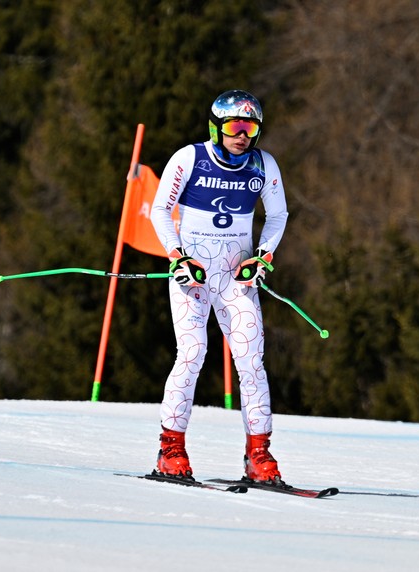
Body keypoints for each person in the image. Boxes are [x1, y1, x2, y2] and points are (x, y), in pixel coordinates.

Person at [149, 89, 289, 485]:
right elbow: (161, 208)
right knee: (193, 353)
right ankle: (171, 449)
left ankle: (258, 454)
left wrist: (261, 256)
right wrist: (177, 256)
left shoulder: (264, 165)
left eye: (250, 128)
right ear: (217, 126)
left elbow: (277, 216)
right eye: (234, 126)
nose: (242, 135)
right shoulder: (189, 158)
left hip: (234, 278)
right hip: (192, 275)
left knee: (252, 362)